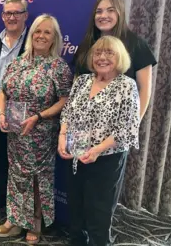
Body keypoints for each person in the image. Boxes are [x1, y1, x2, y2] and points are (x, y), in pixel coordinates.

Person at [0, 14, 72, 244]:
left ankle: (35, 224)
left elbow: (66, 99)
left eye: (47, 32)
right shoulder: (18, 62)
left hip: (41, 134)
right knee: (16, 175)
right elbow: (3, 91)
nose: (41, 35)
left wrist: (39, 116)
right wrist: (1, 113)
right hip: (16, 132)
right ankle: (15, 220)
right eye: (38, 31)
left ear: (54, 38)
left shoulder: (58, 66)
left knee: (37, 179)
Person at [59, 36, 140, 246]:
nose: (102, 57)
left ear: (120, 57)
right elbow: (67, 112)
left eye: (109, 53)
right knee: (76, 210)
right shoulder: (83, 80)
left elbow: (127, 128)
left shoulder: (126, 86)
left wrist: (97, 150)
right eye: (97, 53)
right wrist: (62, 137)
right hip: (76, 155)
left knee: (99, 214)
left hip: (106, 160)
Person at [73, 0, 157, 119]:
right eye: (99, 11)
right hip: (84, 125)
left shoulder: (137, 45)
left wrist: (132, 125)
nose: (103, 15)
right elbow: (76, 85)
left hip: (118, 126)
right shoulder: (85, 46)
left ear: (120, 13)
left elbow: (144, 90)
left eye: (110, 10)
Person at [0, 0, 29, 212]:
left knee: (20, 161)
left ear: (25, 16)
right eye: (7, 13)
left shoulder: (33, 42)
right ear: (2, 16)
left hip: (24, 111)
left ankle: (17, 207)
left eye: (16, 13)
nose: (11, 17)